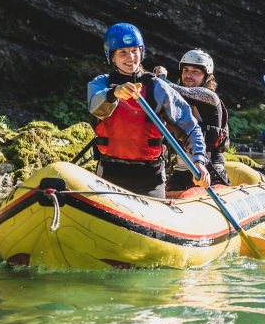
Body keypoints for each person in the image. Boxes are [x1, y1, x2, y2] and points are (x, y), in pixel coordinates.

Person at [87, 23, 210, 198]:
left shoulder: (157, 87)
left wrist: (199, 160)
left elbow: (190, 128)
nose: (131, 57)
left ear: (141, 52)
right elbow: (96, 108)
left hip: (150, 178)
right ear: (112, 57)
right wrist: (115, 94)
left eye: (135, 51)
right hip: (109, 174)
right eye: (123, 52)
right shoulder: (100, 84)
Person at [153, 49, 232, 191]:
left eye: (195, 71)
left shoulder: (210, 97)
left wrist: (161, 77)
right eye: (185, 70)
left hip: (210, 170)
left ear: (206, 76)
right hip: (181, 171)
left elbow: (174, 90)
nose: (188, 75)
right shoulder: (175, 103)